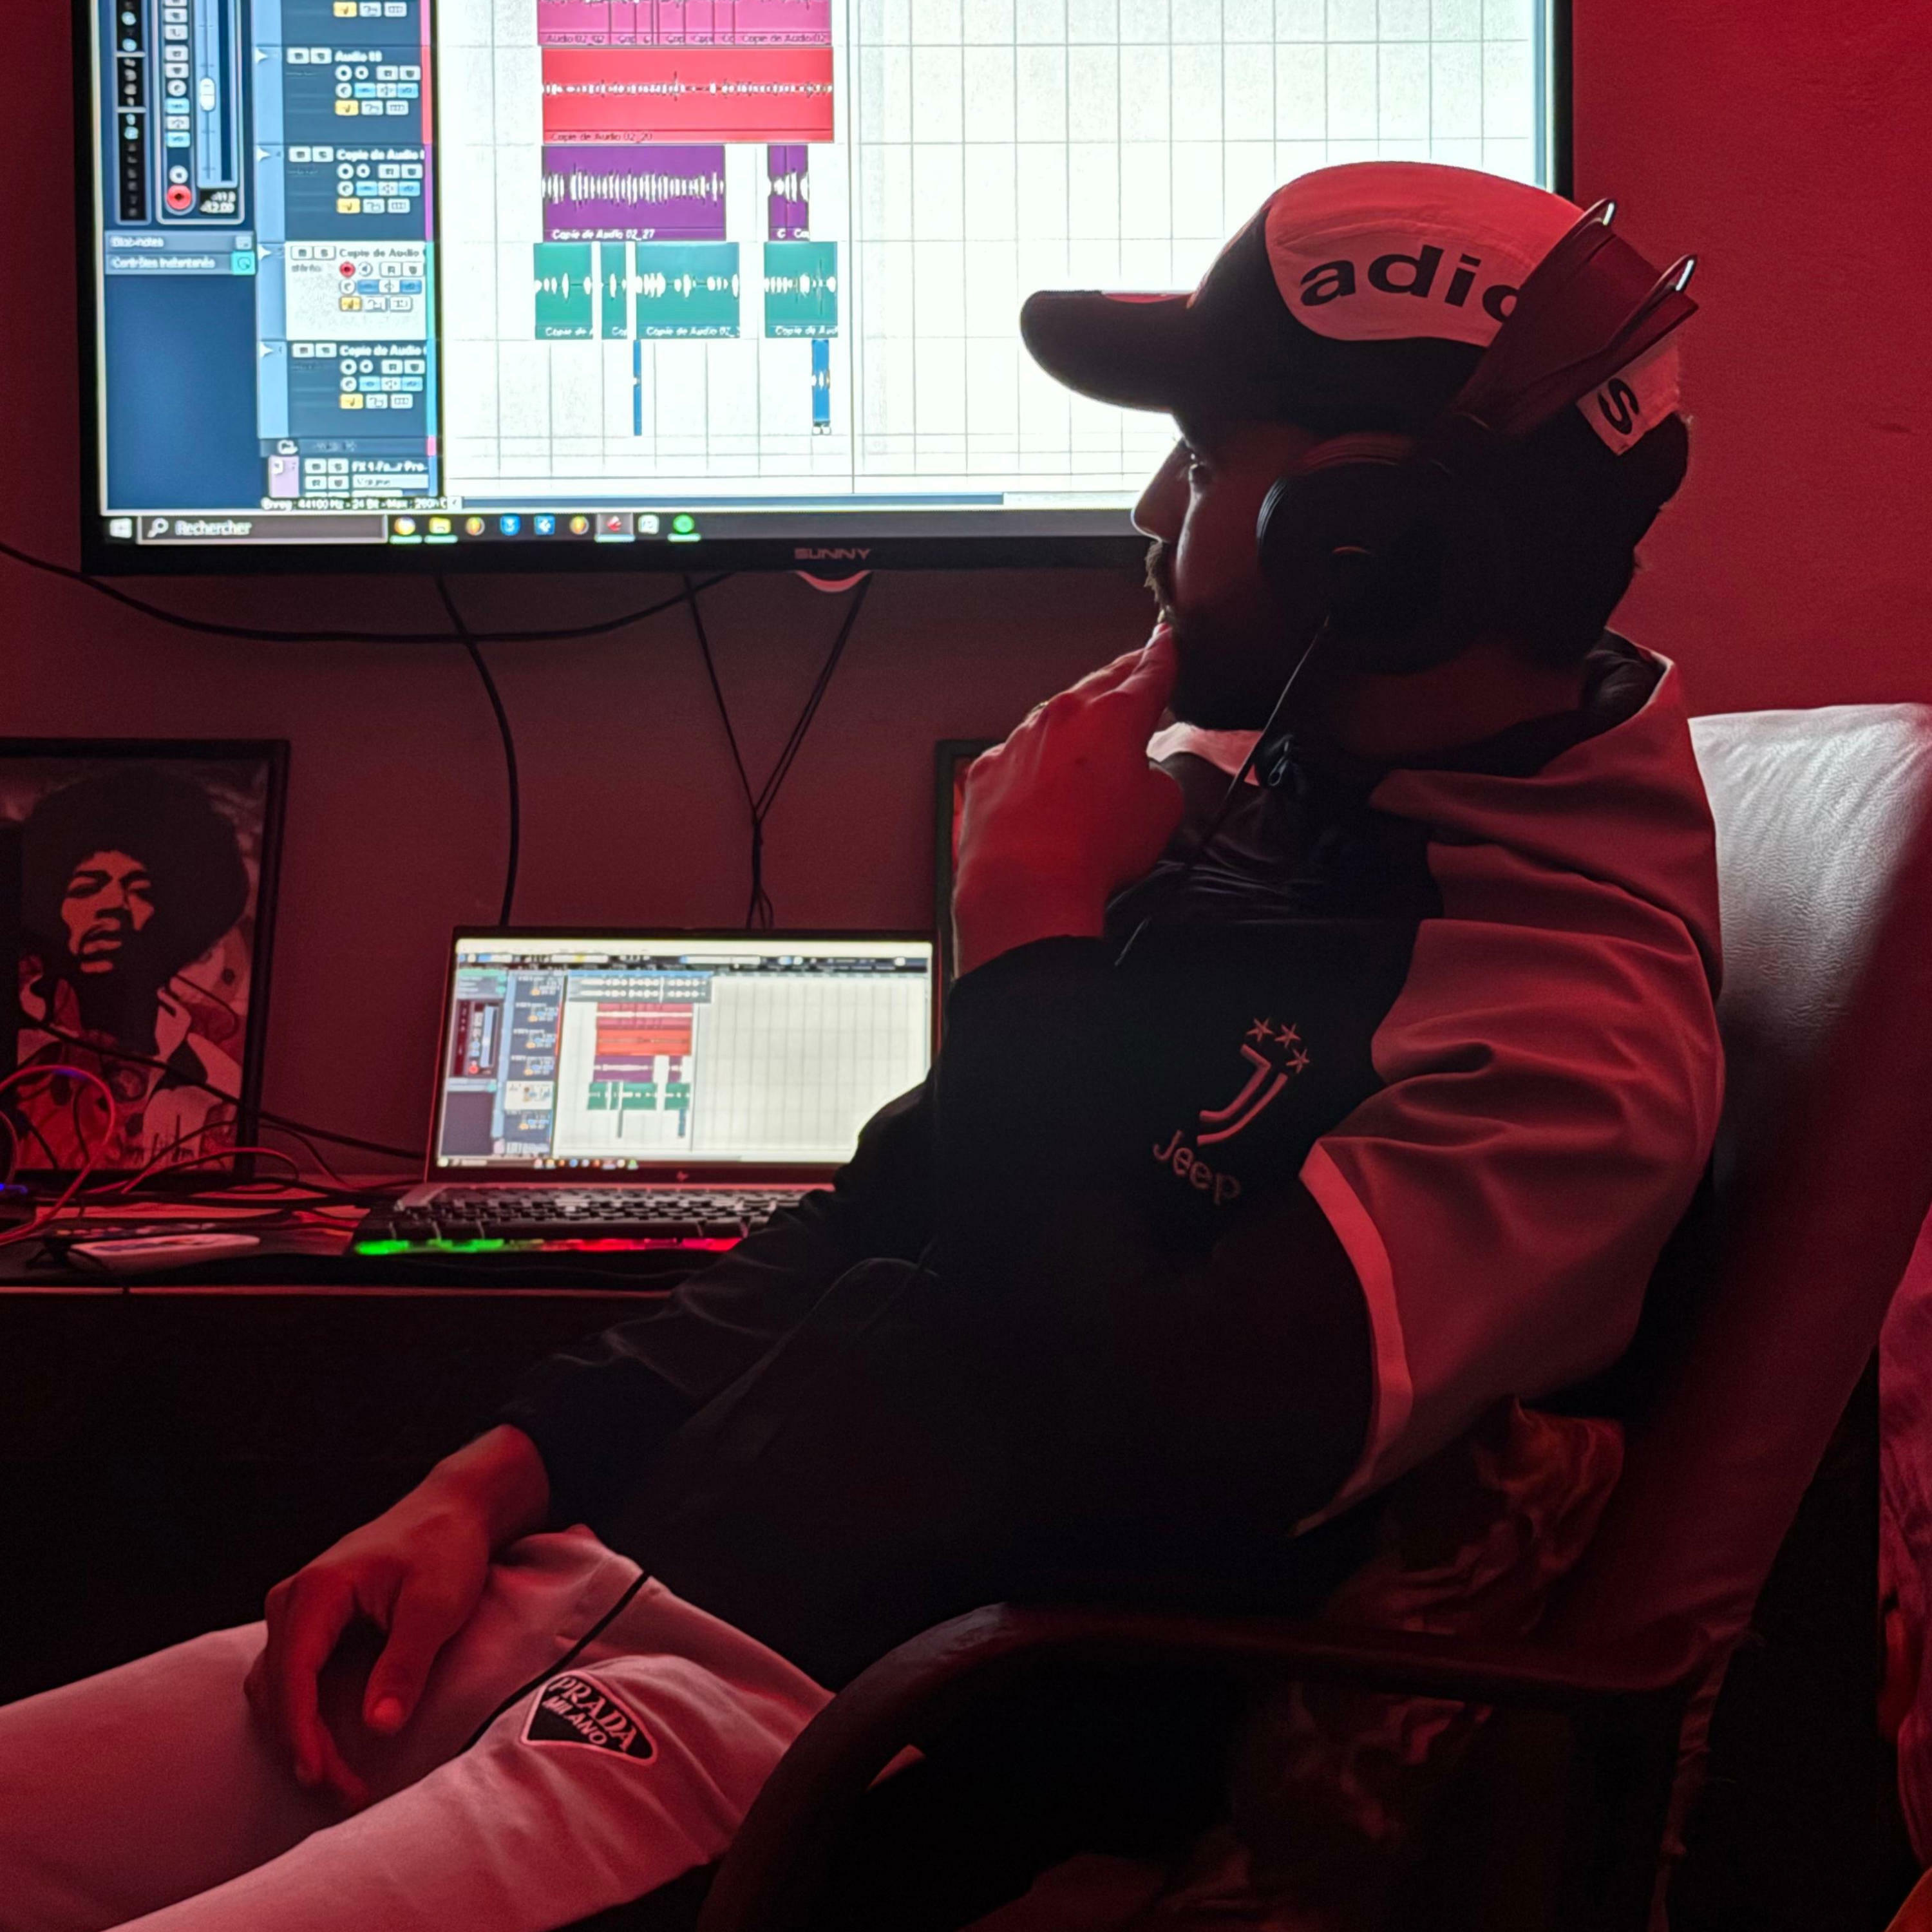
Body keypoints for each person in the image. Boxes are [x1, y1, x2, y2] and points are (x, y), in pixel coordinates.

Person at [0, 163, 1723, 1932]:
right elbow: (887, 1216)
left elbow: (1150, 1440)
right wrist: (485, 1479)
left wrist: (1033, 928)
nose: (1150, 509)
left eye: (1206, 458)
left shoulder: (1565, 1046)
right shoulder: (1287, 822)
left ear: (1375, 544)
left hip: (823, 1736)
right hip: (596, 1587)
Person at [10, 769, 250, 1170]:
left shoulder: (216, 1072)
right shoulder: (18, 1048)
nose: (113, 906)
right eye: (87, 888)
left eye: (140, 890)